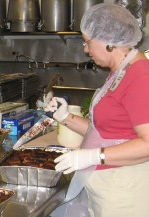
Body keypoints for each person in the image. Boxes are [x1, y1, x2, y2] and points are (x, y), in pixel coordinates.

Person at [45, 3, 149, 217]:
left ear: (108, 40)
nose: (85, 49)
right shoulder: (119, 72)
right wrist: (66, 117)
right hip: (107, 187)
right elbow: (104, 134)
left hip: (124, 192)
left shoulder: (140, 76)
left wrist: (94, 156)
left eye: (87, 42)